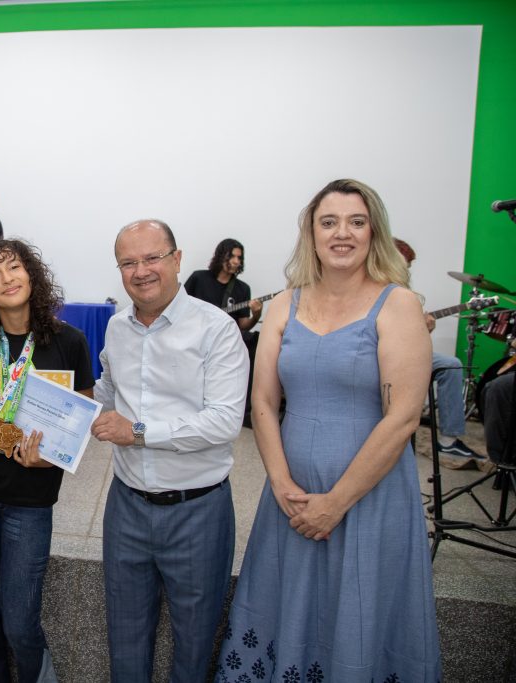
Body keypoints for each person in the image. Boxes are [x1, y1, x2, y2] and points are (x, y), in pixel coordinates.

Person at [218, 179, 441, 682]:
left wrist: (336, 502)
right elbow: (263, 401)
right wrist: (281, 484)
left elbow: (403, 416)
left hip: (368, 498)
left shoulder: (398, 304)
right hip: (292, 499)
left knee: (357, 611)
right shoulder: (285, 304)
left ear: (373, 233)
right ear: (311, 234)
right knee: (287, 610)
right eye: (329, 222)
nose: (343, 233)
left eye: (356, 222)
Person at [91, 220, 248, 683]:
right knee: (124, 638)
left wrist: (137, 431)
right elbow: (104, 393)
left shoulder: (215, 329)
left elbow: (223, 421)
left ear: (177, 260)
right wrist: (42, 408)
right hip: (127, 507)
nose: (141, 271)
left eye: (152, 257)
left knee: (195, 645)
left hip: (197, 510)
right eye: (128, 262)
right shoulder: (117, 328)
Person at [0, 239, 94, 683]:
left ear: (32, 276)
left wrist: (48, 458)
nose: (7, 278)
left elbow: (80, 421)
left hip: (30, 502)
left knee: (21, 621)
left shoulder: (69, 341)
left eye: (14, 268)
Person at [393, 237, 485, 461]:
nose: (408, 271)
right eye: (406, 265)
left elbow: (407, 339)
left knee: (451, 365)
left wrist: (424, 331)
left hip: (402, 352)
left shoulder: (404, 293)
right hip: (380, 356)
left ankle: (448, 441)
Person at [184, 238, 263, 424]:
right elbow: (180, 306)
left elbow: (243, 325)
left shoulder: (243, 288)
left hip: (226, 339)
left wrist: (256, 315)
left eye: (239, 257)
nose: (236, 261)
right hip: (196, 335)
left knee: (254, 340)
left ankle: (245, 411)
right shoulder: (199, 278)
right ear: (221, 256)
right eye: (232, 256)